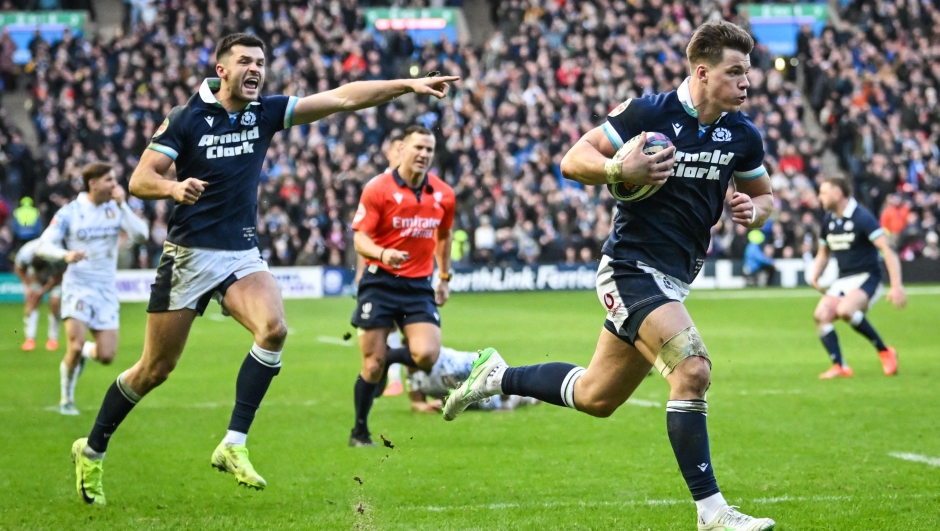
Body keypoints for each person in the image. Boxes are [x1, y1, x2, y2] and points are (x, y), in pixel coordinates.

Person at [68, 32, 457, 505]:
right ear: (222, 70)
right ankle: (92, 448)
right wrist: (171, 190)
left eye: (261, 62)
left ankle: (233, 443)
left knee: (273, 329)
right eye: (246, 62)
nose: (256, 69)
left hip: (240, 254)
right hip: (188, 256)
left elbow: (341, 98)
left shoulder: (265, 112)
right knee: (154, 369)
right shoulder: (187, 118)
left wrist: (407, 87)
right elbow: (139, 179)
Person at [443, 21, 777, 531]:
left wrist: (755, 212)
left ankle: (496, 376)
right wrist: (621, 172)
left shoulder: (742, 134)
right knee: (693, 371)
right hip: (629, 268)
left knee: (596, 396)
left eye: (748, 73)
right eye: (735, 72)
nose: (746, 83)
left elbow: (764, 195)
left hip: (675, 277)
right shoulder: (649, 112)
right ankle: (712, 513)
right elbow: (574, 159)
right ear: (703, 72)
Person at [349, 124, 456, 447]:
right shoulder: (378, 189)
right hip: (379, 282)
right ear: (402, 150)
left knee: (426, 355)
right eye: (418, 148)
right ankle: (359, 431)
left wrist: (444, 276)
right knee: (371, 364)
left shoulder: (443, 194)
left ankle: (393, 357)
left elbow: (443, 236)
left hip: (417, 285)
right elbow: (359, 237)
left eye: (429, 149)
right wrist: (382, 254)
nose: (423, 154)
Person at [37, 163, 149, 416]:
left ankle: (87, 352)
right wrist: (65, 255)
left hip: (106, 289)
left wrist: (123, 205)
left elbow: (142, 235)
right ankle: (66, 399)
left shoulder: (115, 208)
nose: (114, 185)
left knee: (107, 355)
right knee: (74, 346)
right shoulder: (71, 212)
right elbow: (43, 245)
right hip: (78, 285)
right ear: (93, 183)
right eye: (109, 180)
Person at [809, 176, 905, 379]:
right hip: (844, 279)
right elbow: (823, 252)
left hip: (868, 276)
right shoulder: (829, 220)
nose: (820, 198)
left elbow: (888, 251)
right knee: (821, 315)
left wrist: (896, 286)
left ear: (838, 194)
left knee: (845, 310)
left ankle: (885, 351)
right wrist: (815, 274)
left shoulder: (862, 217)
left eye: (824, 193)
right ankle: (840, 366)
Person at [354, 131, 406, 398]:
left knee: (415, 333)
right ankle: (385, 375)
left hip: (413, 271)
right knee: (383, 328)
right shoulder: (377, 184)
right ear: (389, 153)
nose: (403, 153)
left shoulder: (422, 185)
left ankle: (409, 385)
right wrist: (361, 270)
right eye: (398, 148)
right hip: (380, 270)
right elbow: (364, 233)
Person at [407, 346, 539, 414]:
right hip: (458, 403)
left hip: (482, 394)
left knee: (493, 401)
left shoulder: (452, 363)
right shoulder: (410, 369)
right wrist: (425, 407)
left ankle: (532, 393)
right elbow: (416, 402)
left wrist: (505, 405)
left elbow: (495, 365)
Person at [13, 238, 66, 352]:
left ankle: (53, 340)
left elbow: (61, 274)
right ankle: (30, 339)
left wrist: (45, 289)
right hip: (34, 277)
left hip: (55, 276)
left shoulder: (57, 254)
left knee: (55, 303)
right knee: (32, 301)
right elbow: (18, 268)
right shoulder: (26, 252)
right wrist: (28, 285)